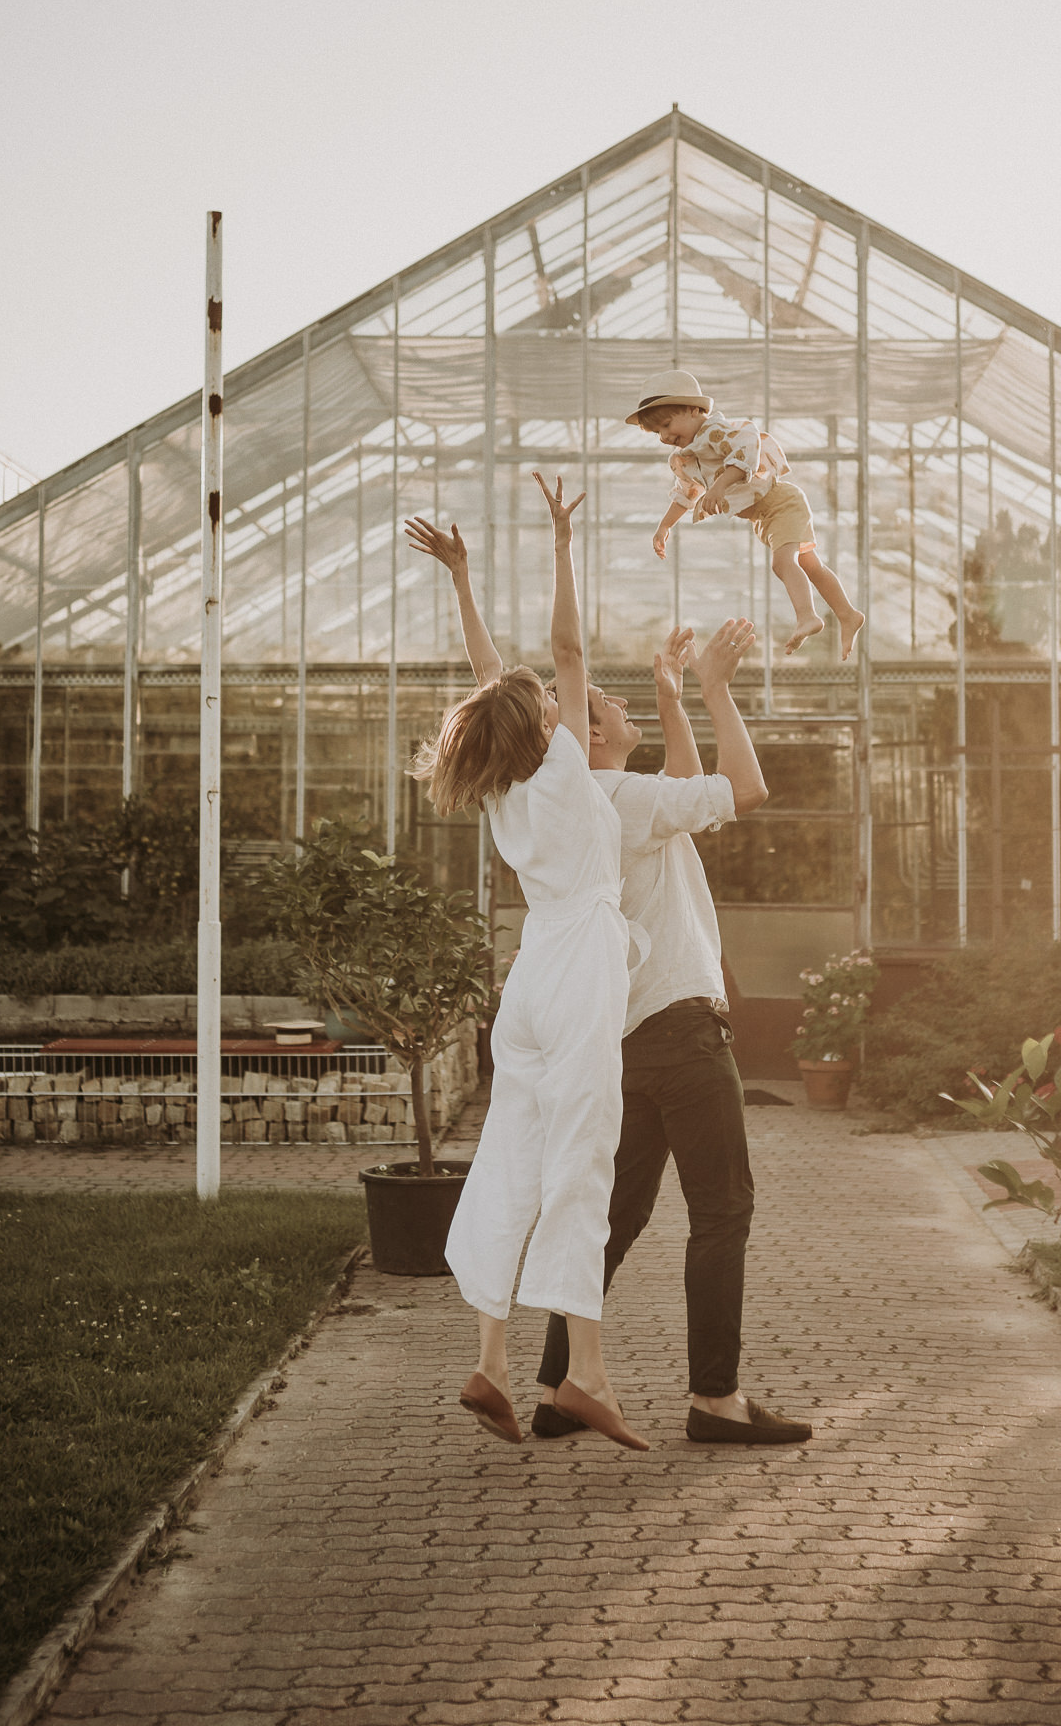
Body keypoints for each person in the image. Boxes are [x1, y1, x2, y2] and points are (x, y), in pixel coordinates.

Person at [406, 474, 648, 1453]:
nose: (560, 697)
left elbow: (494, 677)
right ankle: (585, 1377)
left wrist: (464, 581)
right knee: (583, 1159)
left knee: (514, 1157)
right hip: (582, 961)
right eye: (551, 700)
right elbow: (561, 653)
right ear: (541, 722)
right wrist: (558, 546)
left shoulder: (509, 782)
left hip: (530, 976)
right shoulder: (556, 763)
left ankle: (493, 1363)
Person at [532, 616, 814, 1446]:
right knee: (723, 1211)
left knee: (612, 1221)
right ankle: (715, 1400)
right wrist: (719, 690)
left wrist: (668, 694)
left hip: (627, 1041)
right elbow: (743, 790)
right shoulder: (618, 796)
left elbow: (685, 797)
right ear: (587, 731)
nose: (620, 703)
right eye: (612, 701)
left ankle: (554, 1389)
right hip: (683, 1033)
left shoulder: (595, 805)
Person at [629, 369, 864, 660]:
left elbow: (746, 451)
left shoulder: (716, 432)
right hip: (764, 517)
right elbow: (686, 493)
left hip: (780, 503)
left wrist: (719, 486)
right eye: (657, 433)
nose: (664, 436)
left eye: (666, 424)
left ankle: (808, 616)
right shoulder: (689, 458)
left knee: (783, 563)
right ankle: (848, 614)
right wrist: (664, 526)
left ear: (694, 410)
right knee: (810, 565)